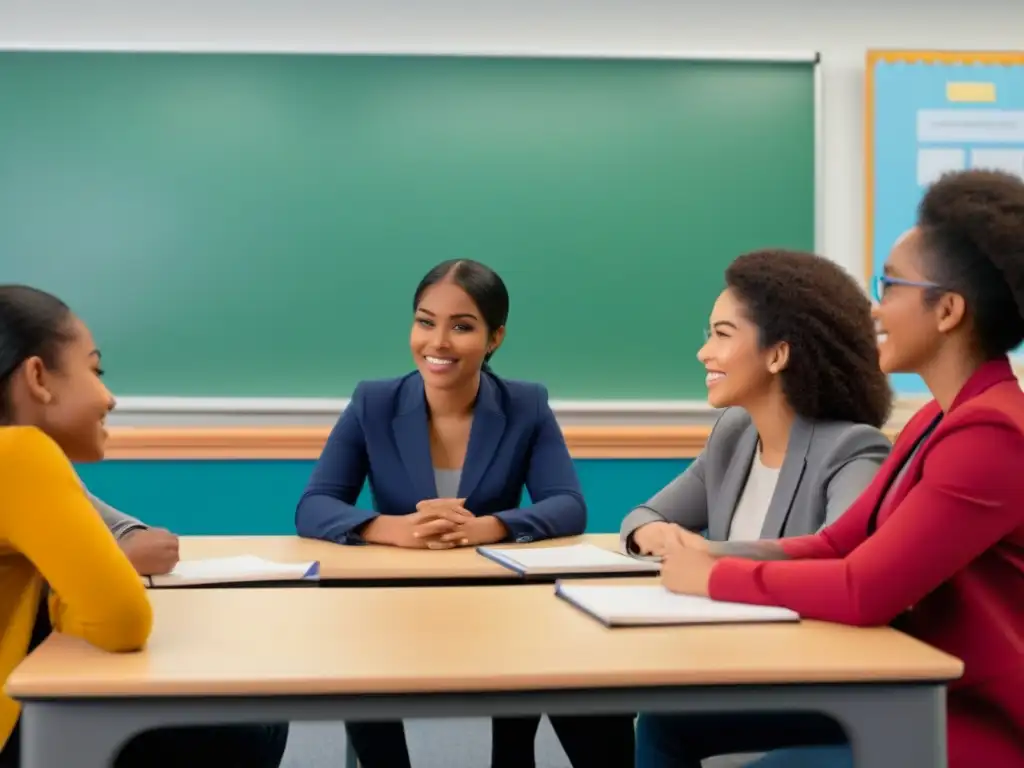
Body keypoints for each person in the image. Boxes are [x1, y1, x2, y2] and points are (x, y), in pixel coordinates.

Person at [642, 170, 1024, 767]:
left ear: (947, 310)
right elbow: (837, 543)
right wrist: (712, 554)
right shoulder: (933, 420)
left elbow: (865, 588)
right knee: (669, 726)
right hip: (908, 687)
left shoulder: (992, 433)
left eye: (890, 286)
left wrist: (712, 580)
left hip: (972, 715)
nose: (874, 308)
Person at [295, 259, 633, 768]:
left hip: (500, 602)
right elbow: (314, 506)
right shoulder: (374, 401)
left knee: (578, 681)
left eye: (462, 326)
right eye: (425, 322)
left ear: (495, 337)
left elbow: (568, 505)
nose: (438, 342)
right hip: (396, 601)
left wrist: (488, 527)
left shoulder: (525, 404)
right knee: (359, 661)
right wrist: (394, 530)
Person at [0, 284, 288, 768]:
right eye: (95, 370)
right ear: (37, 378)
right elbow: (120, 621)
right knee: (254, 725)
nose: (109, 397)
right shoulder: (21, 456)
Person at [621, 249, 893, 559]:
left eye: (723, 334)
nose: (703, 353)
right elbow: (643, 517)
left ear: (777, 355)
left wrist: (705, 553)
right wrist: (651, 534)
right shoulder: (734, 433)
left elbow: (837, 553)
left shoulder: (853, 449)